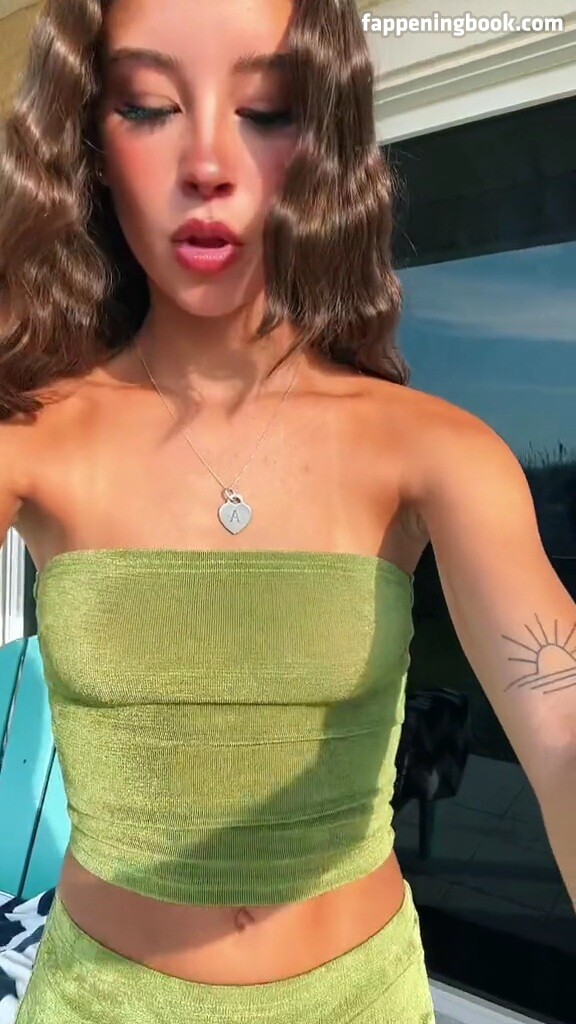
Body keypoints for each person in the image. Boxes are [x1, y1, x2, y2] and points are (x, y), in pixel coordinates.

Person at [0, 1, 574, 1021]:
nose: (208, 164)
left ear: (325, 145)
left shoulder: (435, 449)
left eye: (266, 110)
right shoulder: (33, 438)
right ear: (86, 144)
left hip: (363, 999)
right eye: (149, 106)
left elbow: (562, 714)